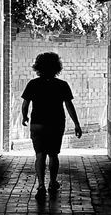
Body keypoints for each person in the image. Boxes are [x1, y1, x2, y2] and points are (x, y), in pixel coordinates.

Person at [20, 52, 82, 199]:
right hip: (56, 124)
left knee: (40, 155)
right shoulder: (62, 85)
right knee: (53, 155)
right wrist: (77, 124)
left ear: (38, 67)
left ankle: (41, 185)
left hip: (37, 124)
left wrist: (24, 116)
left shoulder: (33, 84)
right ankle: (52, 182)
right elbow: (69, 105)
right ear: (57, 67)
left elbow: (25, 103)